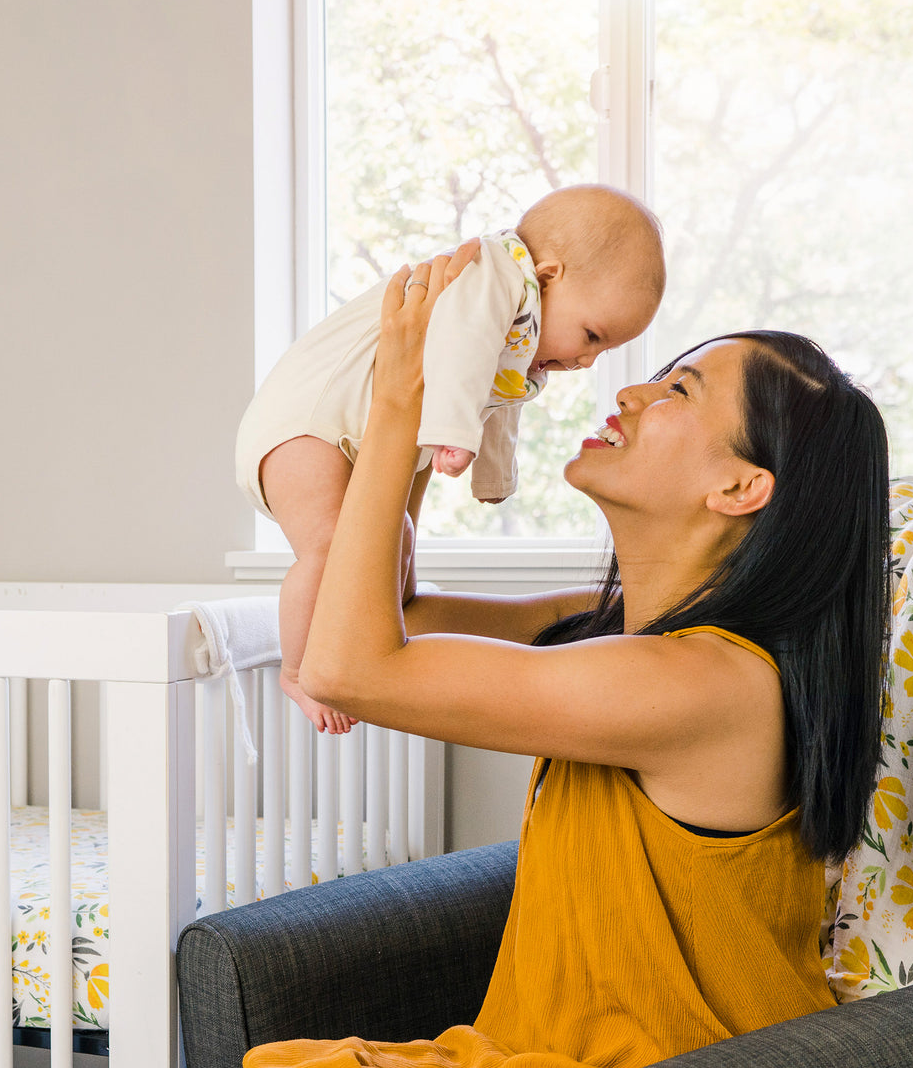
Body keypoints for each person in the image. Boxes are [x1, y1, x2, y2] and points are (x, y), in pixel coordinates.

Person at [0, 242, 890, 1068]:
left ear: (740, 488)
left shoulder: (711, 685)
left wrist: (404, 399)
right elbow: (357, 610)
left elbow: (347, 666)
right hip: (535, 1065)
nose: (629, 389)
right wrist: (404, 415)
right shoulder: (599, 637)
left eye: (680, 390)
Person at [237, 185, 665, 733]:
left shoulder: (516, 330)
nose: (585, 360)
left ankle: (331, 645)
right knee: (328, 550)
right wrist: (452, 434)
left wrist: (494, 477)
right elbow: (463, 350)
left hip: (350, 433)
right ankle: (297, 670)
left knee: (398, 542)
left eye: (602, 351)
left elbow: (498, 401)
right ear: (549, 275)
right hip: (306, 425)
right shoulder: (492, 272)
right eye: (591, 335)